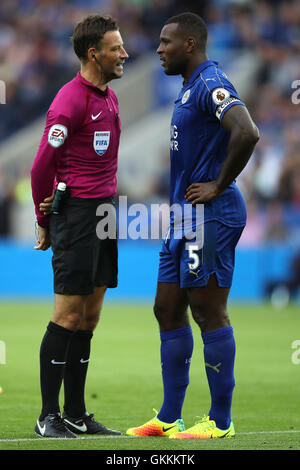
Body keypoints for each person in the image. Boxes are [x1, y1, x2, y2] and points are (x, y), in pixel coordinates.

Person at [126, 12, 259, 439]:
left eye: (166, 41)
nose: (158, 49)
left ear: (189, 44)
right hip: (182, 217)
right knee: (166, 308)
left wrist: (220, 185)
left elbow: (247, 131)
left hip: (210, 215)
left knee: (207, 311)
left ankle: (221, 422)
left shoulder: (209, 83)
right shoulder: (188, 89)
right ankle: (169, 417)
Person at [31, 15, 128, 438]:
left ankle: (75, 414)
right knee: (67, 315)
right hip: (77, 215)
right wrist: (43, 218)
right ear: (94, 54)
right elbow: (40, 166)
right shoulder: (70, 100)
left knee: (89, 318)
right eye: (116, 48)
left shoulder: (109, 97)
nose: (124, 54)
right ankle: (46, 417)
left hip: (105, 212)